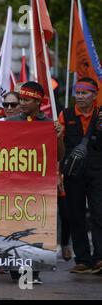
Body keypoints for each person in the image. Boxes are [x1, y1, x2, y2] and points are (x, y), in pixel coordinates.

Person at [6, 81, 64, 284]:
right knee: (15, 229)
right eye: (20, 98)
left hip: (38, 188)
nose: (22, 103)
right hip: (13, 187)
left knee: (34, 229)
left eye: (26, 100)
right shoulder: (10, 122)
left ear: (38, 101)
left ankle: (32, 273)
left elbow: (59, 156)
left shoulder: (49, 124)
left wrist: (58, 137)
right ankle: (16, 268)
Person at [58, 77, 102, 275]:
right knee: (75, 215)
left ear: (94, 95)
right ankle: (83, 259)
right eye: (79, 92)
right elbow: (58, 148)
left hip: (98, 172)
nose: (81, 96)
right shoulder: (65, 115)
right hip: (73, 173)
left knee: (99, 214)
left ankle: (100, 258)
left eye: (85, 93)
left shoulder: (101, 115)